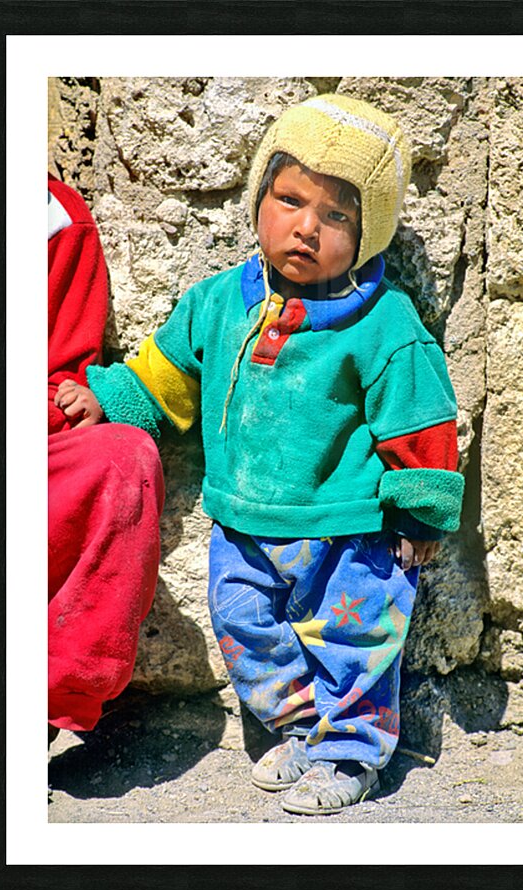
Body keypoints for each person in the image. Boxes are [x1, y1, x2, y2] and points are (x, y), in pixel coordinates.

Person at [54, 94, 464, 814]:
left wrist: (420, 513)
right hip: (242, 527)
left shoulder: (382, 323)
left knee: (356, 640)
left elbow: (419, 419)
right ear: (258, 199)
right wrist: (108, 399)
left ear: (370, 232)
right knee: (246, 630)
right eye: (289, 199)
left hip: (350, 532)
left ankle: (352, 749)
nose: (307, 227)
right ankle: (305, 729)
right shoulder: (217, 302)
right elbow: (167, 374)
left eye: (337, 215)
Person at [48, 173, 164, 741]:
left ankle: (43, 703)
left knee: (123, 458)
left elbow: (57, 373)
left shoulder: (52, 218)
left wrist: (97, 402)